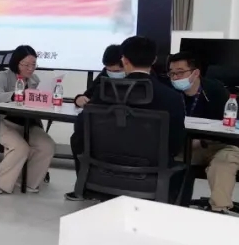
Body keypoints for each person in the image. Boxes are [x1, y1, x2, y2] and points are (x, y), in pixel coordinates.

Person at [67, 36, 186, 202]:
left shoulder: (105, 91)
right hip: (151, 174)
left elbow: (81, 128)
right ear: (154, 60)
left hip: (104, 168)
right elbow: (175, 143)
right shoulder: (171, 97)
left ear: (124, 60)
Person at [169, 51, 239, 214]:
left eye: (180, 72)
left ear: (195, 73)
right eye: (172, 73)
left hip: (221, 145)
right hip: (187, 146)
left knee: (223, 164)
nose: (175, 78)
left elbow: (231, 125)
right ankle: (174, 208)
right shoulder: (171, 93)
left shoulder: (216, 91)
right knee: (171, 163)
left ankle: (219, 211)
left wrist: (202, 141)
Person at [0, 45, 57, 194]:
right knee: (20, 148)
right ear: (16, 63)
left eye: (33, 64)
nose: (30, 68)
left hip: (27, 123)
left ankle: (27, 182)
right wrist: (16, 95)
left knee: (47, 145)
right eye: (26, 65)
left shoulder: (35, 79)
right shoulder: (2, 76)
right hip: (3, 121)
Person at [74, 44, 125, 108]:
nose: (112, 73)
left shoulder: (133, 77)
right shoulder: (104, 74)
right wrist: (78, 99)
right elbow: (88, 94)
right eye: (109, 70)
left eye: (116, 71)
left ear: (126, 65)